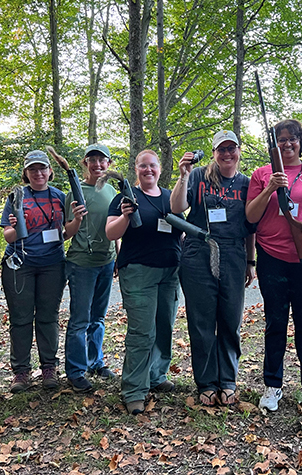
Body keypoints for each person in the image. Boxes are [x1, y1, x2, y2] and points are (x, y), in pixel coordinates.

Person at [245, 119, 302, 414]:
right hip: (271, 258)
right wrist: (270, 187)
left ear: (301, 142)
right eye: (281, 139)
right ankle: (273, 385)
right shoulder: (261, 174)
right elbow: (250, 216)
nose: (287, 143)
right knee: (275, 324)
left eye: (292, 138)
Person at [170, 130, 256, 407]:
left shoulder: (246, 183)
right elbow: (176, 207)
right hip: (198, 251)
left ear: (238, 151)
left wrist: (251, 261)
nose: (227, 154)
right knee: (202, 320)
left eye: (232, 148)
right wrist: (183, 174)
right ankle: (206, 382)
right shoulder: (198, 177)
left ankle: (228, 380)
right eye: (221, 149)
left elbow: (250, 226)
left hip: (233, 252)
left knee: (231, 320)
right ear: (214, 152)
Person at [105, 149, 183, 415]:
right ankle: (134, 390)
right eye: (142, 166)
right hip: (138, 272)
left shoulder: (170, 197)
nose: (148, 170)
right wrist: (126, 216)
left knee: (164, 326)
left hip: (170, 272)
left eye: (152, 166)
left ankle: (156, 376)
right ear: (135, 169)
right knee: (142, 332)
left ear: (159, 168)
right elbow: (110, 232)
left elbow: (180, 232)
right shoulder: (125, 198)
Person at [0, 150, 75, 393]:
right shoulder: (16, 196)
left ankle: (49, 368)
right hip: (20, 263)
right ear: (26, 173)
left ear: (50, 171)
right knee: (20, 318)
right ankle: (21, 372)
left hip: (52, 263)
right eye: (33, 169)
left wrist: (79, 221)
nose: (38, 173)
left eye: (42, 168)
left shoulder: (60, 197)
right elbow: (8, 236)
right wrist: (15, 227)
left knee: (48, 316)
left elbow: (65, 233)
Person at [64, 144, 120, 393]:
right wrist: (76, 218)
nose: (98, 165)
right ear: (85, 163)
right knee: (80, 319)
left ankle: (95, 362)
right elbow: (66, 233)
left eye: (102, 160)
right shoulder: (75, 192)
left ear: (109, 164)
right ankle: (76, 370)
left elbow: (115, 227)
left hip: (106, 262)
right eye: (92, 160)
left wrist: (118, 256)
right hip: (81, 264)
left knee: (98, 317)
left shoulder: (111, 191)